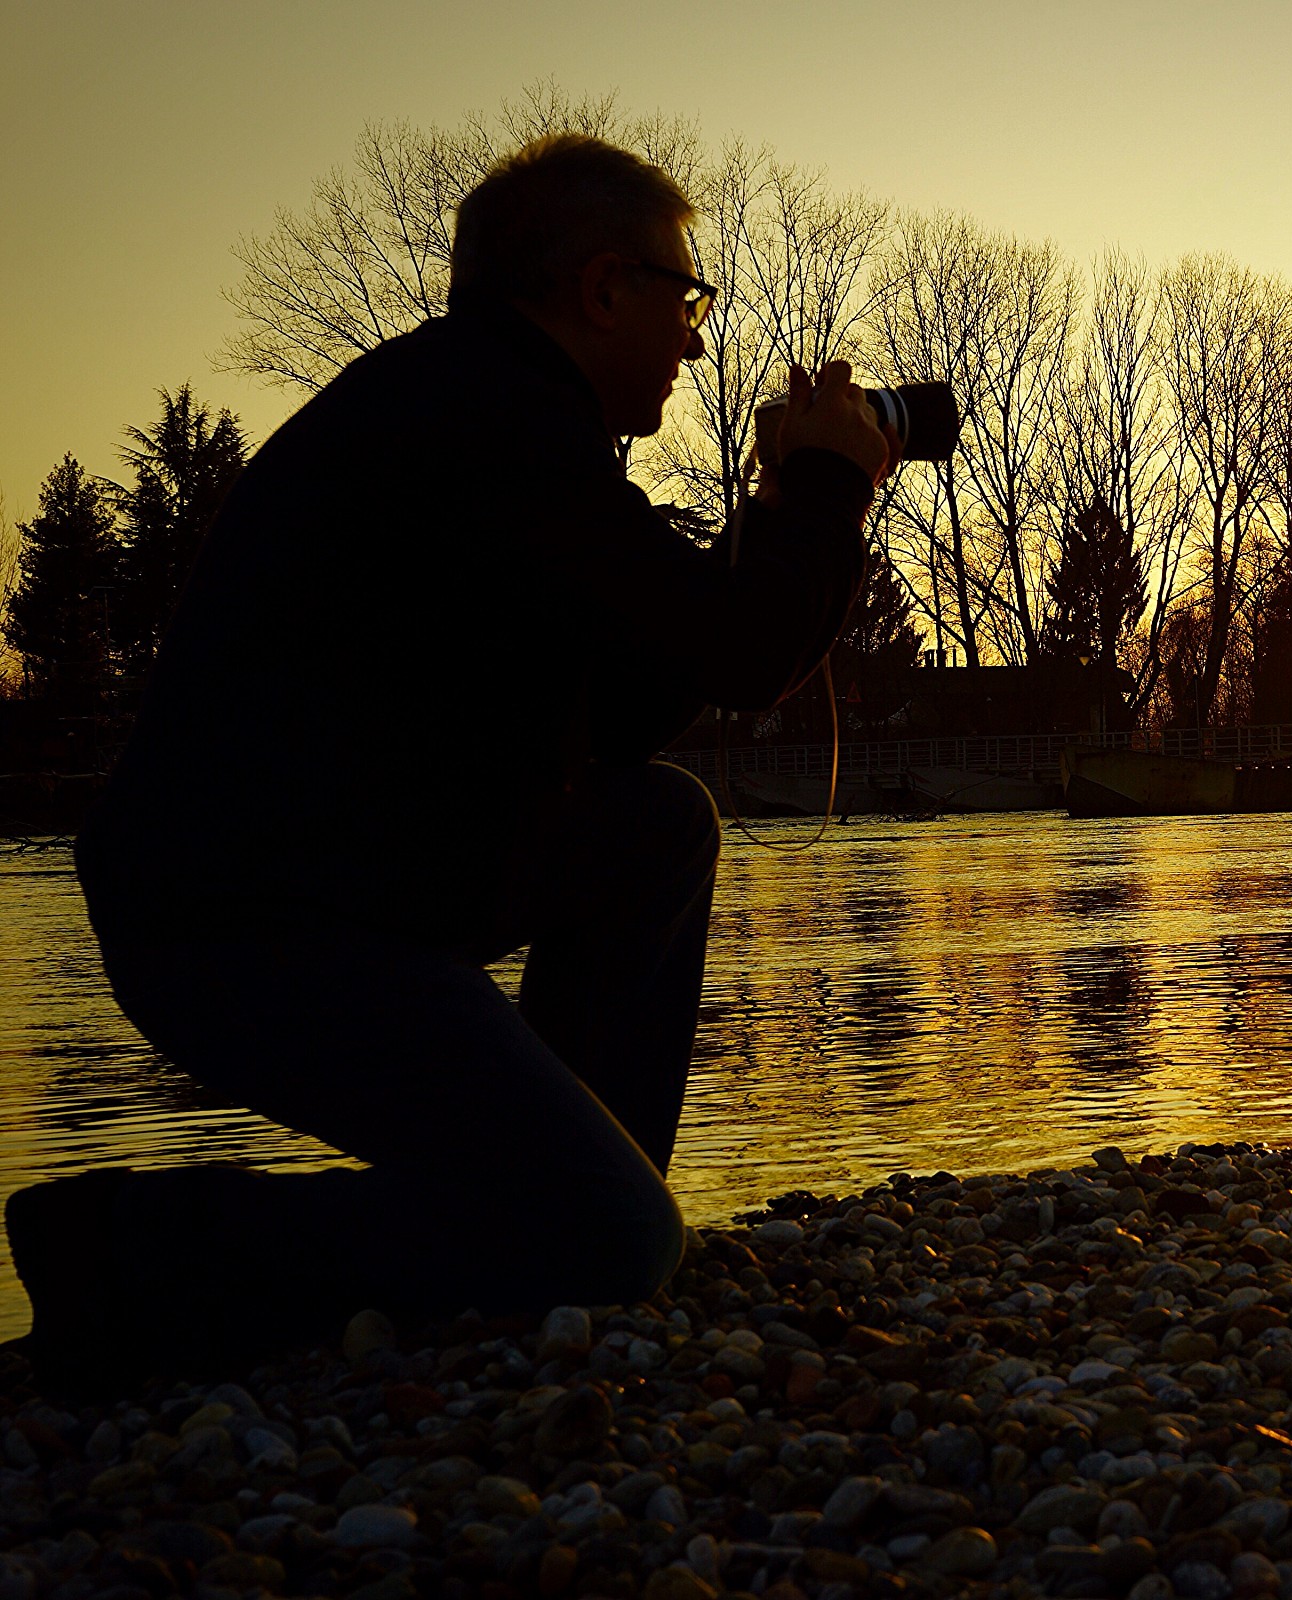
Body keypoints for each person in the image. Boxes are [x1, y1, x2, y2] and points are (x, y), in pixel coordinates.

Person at [5, 133, 891, 1396]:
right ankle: (121, 1248)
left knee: (655, 825)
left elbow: (643, 697)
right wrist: (817, 491)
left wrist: (790, 518)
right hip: (248, 932)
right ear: (601, 287)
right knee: (611, 1238)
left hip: (343, 896)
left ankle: (574, 1202)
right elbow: (739, 654)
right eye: (687, 300)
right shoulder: (489, 421)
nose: (698, 341)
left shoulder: (480, 420)